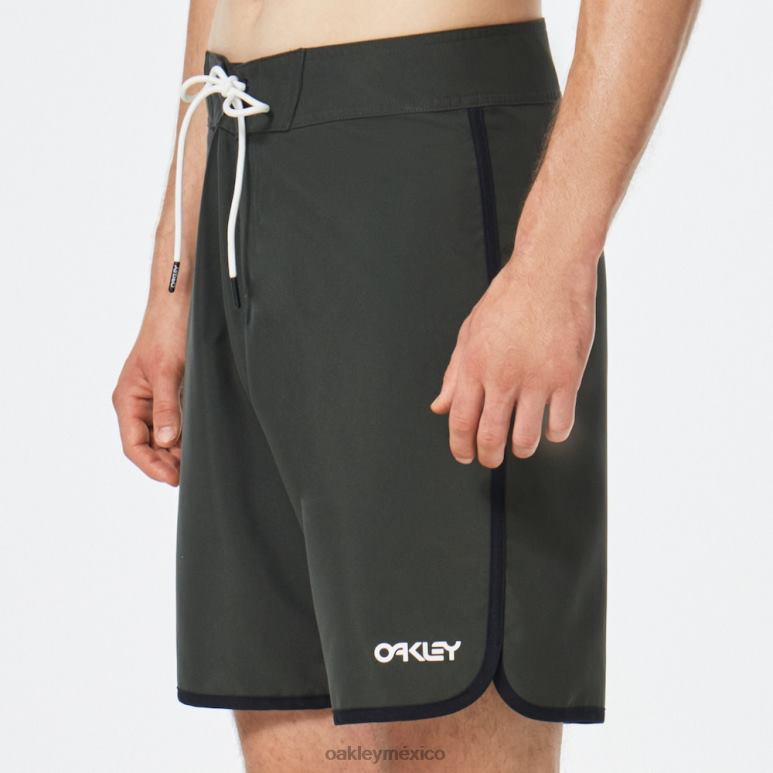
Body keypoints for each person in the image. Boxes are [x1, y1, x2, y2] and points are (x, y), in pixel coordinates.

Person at [112, 1, 699, 770]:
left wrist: (551, 267)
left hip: (421, 156)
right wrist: (175, 280)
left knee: (443, 710)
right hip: (238, 160)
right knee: (293, 721)